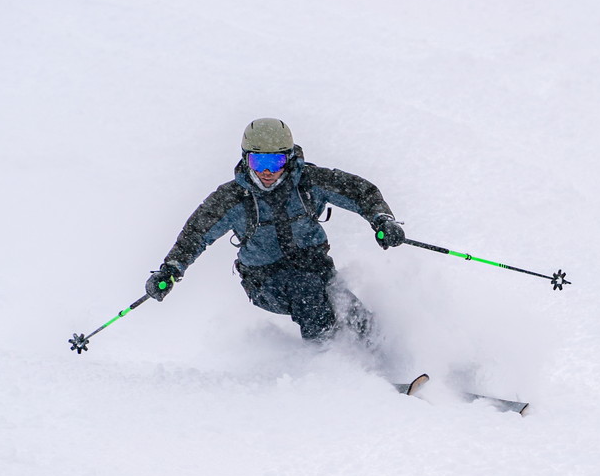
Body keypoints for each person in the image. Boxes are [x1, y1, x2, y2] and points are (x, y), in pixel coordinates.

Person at [145, 118, 406, 342]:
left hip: (316, 268)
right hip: (265, 281)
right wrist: (170, 270)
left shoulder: (309, 182)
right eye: (259, 162)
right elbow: (196, 234)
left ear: (289, 158)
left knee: (348, 308)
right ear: (246, 160)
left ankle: (389, 357)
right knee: (308, 293)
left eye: (276, 160)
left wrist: (382, 220)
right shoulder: (233, 198)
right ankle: (329, 363)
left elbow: (360, 192)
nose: (268, 171)